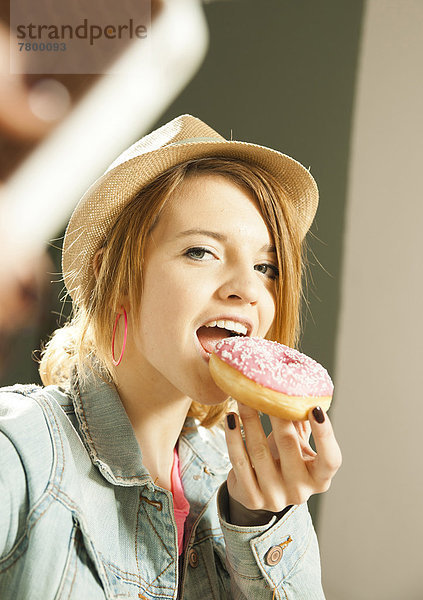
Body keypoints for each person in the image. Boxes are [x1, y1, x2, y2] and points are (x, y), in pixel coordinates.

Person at [0, 114, 342, 599]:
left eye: (266, 266)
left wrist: (262, 525)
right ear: (112, 275)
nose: (248, 289)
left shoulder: (239, 488)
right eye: (201, 252)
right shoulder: (20, 450)